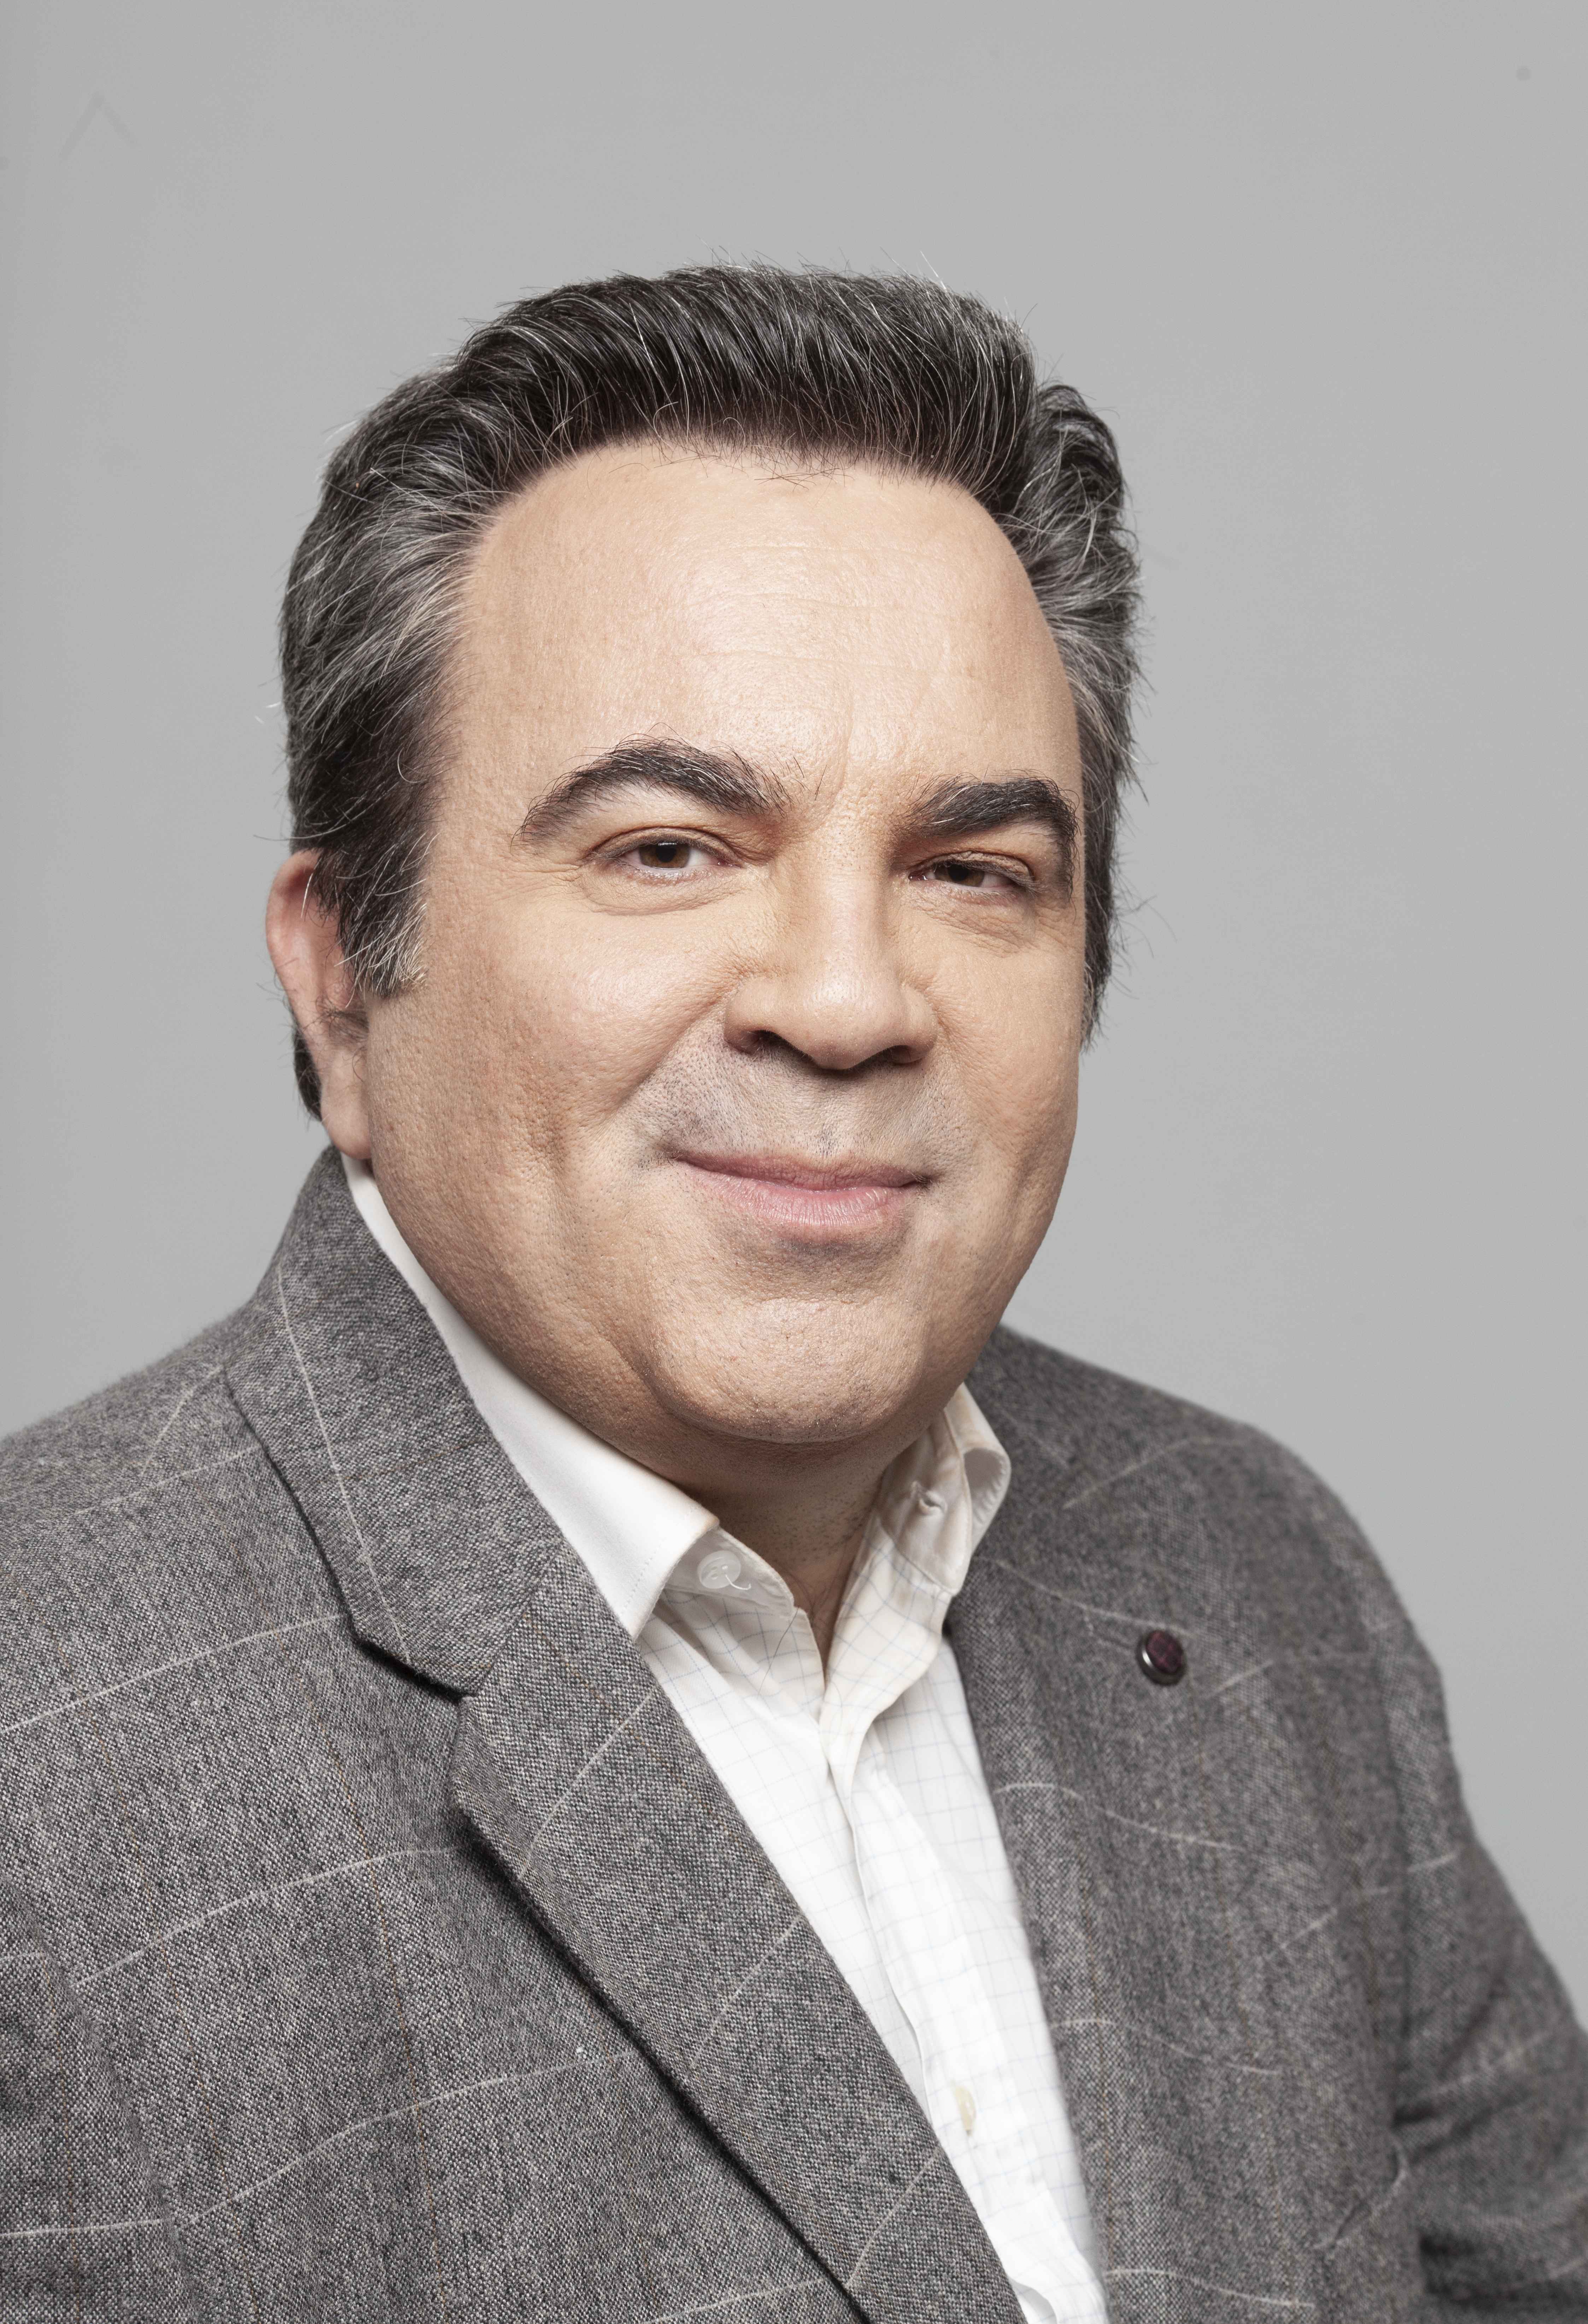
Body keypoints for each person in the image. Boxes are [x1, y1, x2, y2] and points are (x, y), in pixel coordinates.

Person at [1, 266, 1582, 2324]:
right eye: (669, 848)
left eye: (972, 871)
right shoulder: (43, 1741)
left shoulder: (1258, 1576)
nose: (845, 1001)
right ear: (341, 978)